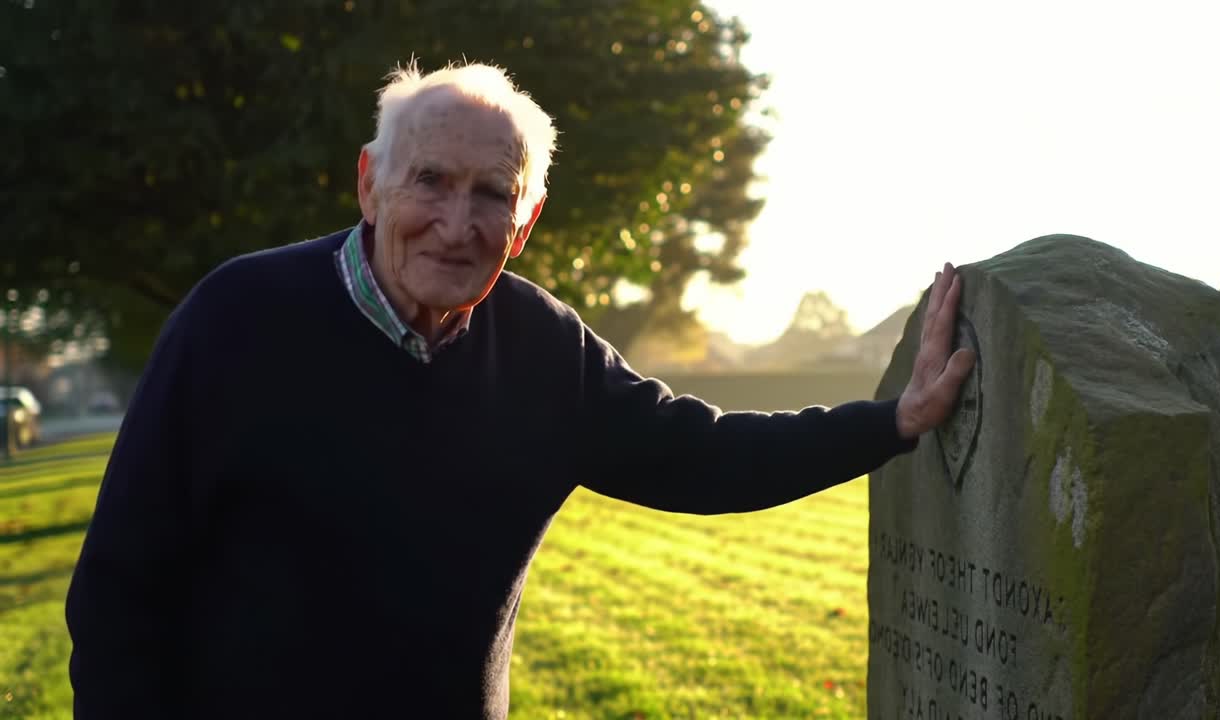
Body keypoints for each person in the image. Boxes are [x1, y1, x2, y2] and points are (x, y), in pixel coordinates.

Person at [65, 61, 975, 719]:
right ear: (370, 185)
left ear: (527, 220)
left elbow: (709, 458)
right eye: (430, 181)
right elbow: (118, 589)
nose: (457, 225)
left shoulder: (545, 351)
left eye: (492, 195)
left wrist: (893, 422)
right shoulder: (234, 320)